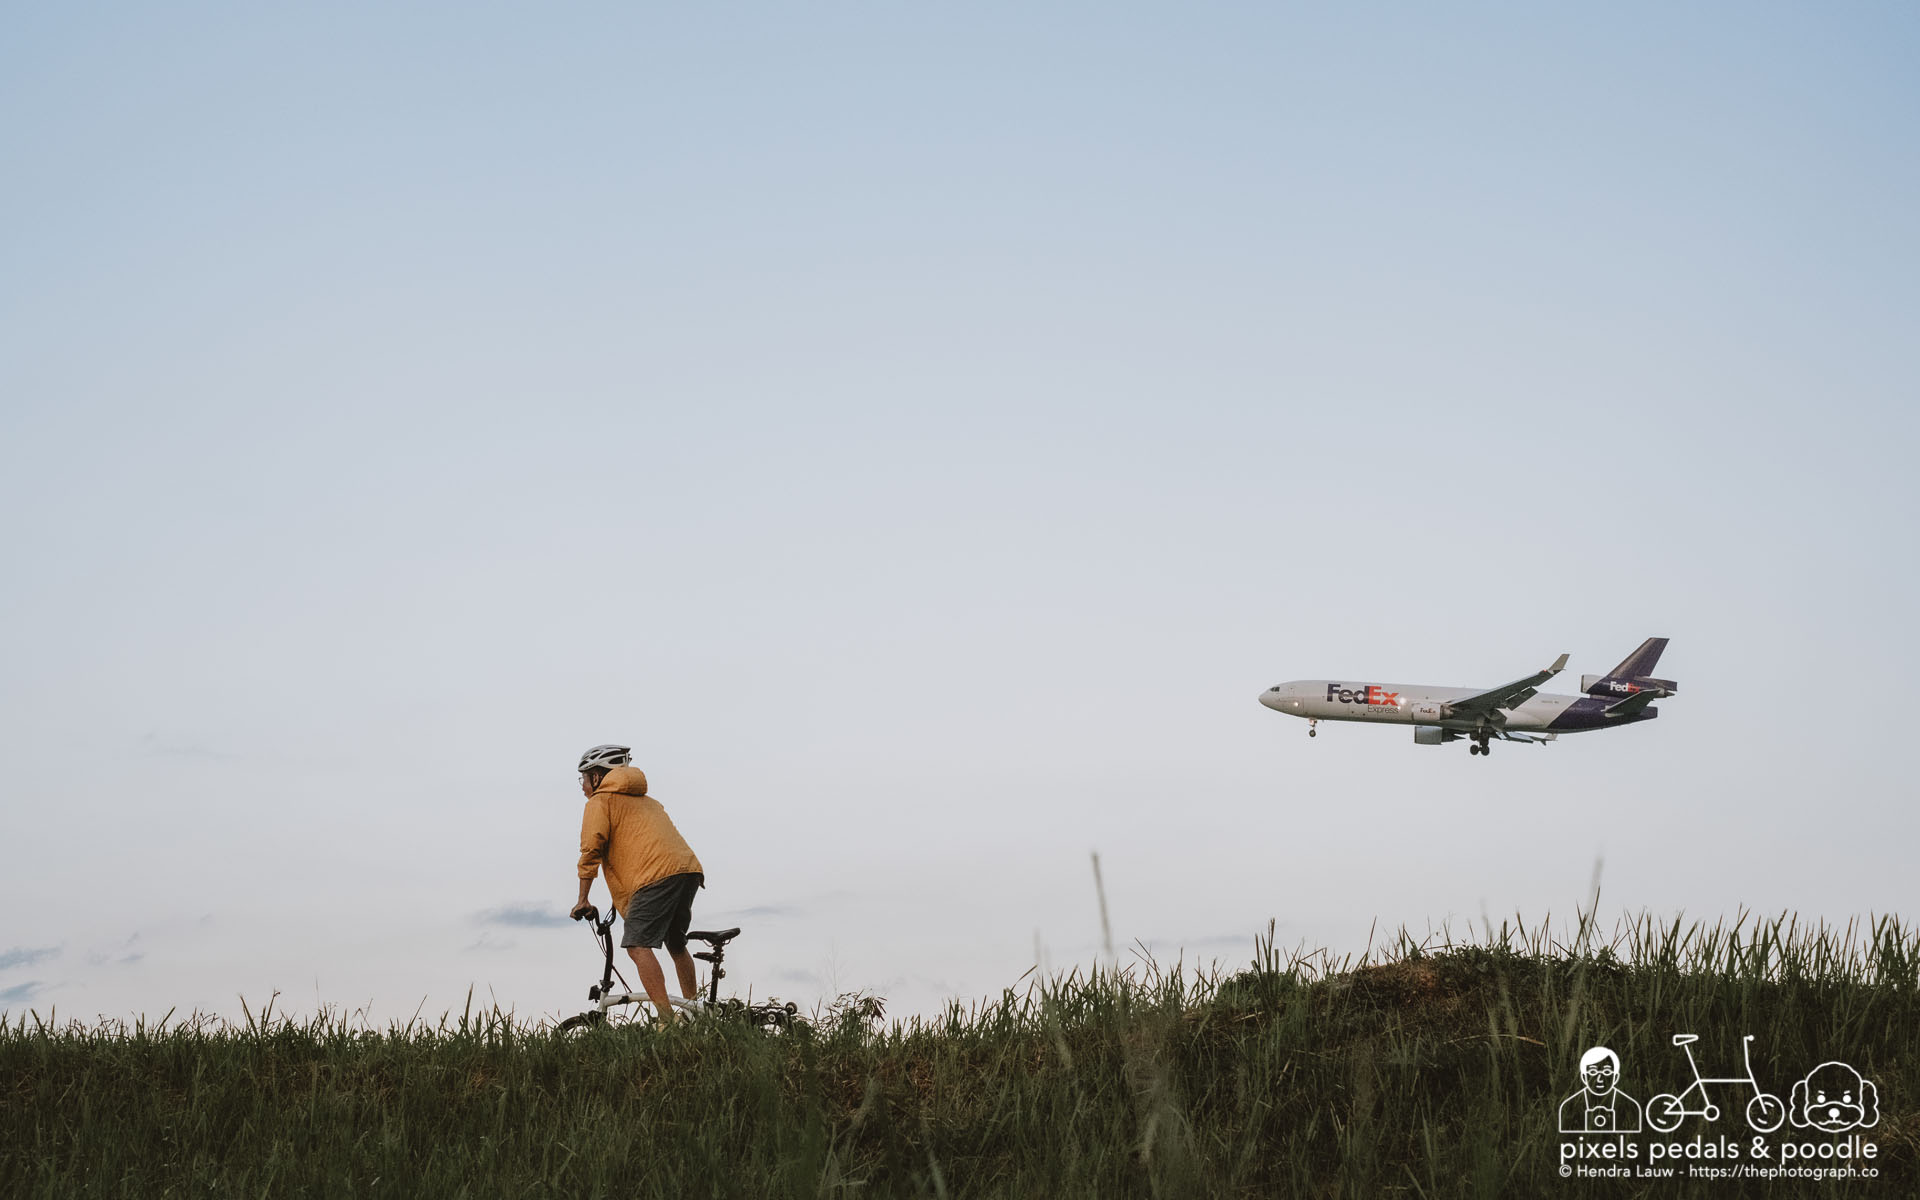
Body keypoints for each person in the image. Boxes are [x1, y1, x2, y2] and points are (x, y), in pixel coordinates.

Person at [569, 744, 706, 1023]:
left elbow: (591, 850)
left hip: (655, 876)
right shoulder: (648, 801)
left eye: (584, 778)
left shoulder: (600, 801)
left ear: (597, 777)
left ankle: (666, 1022)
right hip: (687, 870)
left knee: (637, 945)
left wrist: (582, 899)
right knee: (676, 944)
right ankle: (696, 1016)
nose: (582, 785)